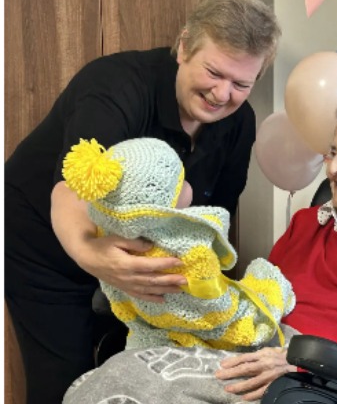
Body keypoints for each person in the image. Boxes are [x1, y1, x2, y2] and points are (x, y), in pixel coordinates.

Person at [49, 90, 337, 404]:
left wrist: (303, 360)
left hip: (322, 382)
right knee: (119, 375)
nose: (332, 167)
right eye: (333, 151)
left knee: (146, 392)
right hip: (257, 351)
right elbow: (262, 297)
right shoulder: (309, 222)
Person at [5, 0, 280, 404]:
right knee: (64, 379)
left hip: (141, 256)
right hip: (43, 239)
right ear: (184, 45)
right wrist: (90, 253)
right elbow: (71, 191)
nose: (222, 93)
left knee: (135, 371)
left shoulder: (239, 123)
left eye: (241, 84)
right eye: (214, 72)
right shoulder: (115, 86)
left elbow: (216, 217)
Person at [60, 137, 295, 351]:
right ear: (158, 211)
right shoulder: (189, 248)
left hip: (150, 333)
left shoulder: (110, 238)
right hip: (210, 329)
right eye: (181, 183)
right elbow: (215, 308)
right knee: (266, 275)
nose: (189, 185)